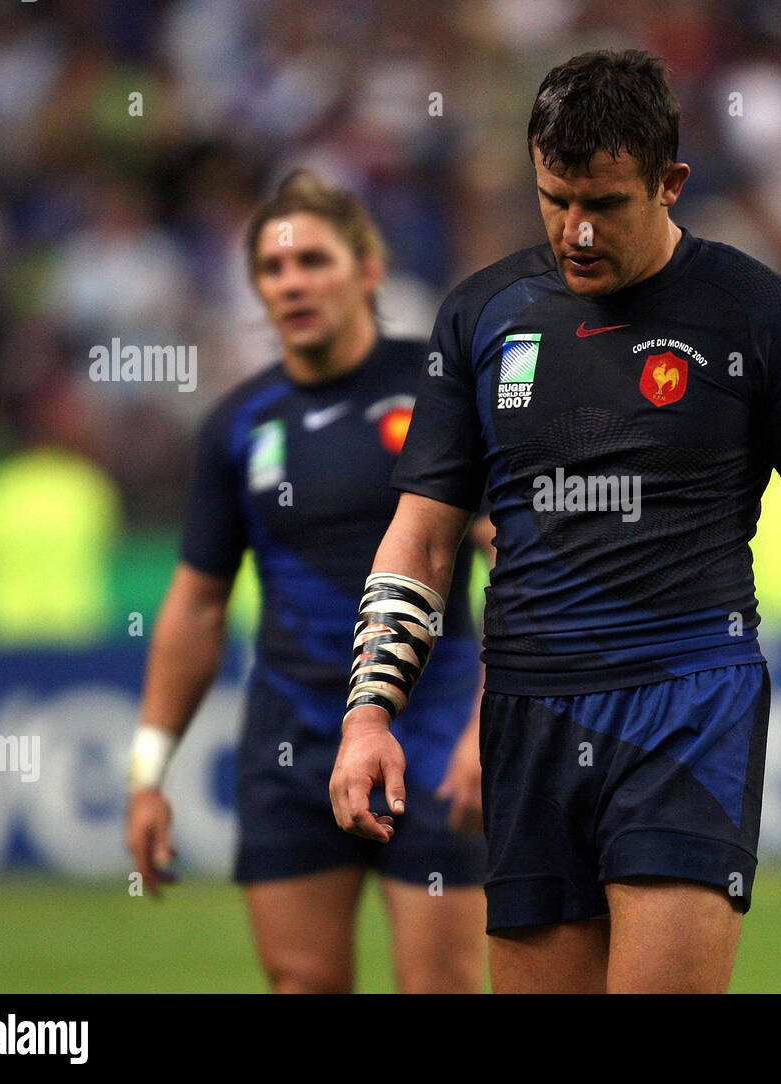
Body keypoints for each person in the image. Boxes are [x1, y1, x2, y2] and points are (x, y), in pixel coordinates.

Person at [329, 50, 781, 994]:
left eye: (605, 205)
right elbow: (424, 537)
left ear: (670, 183)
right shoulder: (482, 316)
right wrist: (371, 712)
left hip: (689, 703)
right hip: (530, 716)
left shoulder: (762, 321)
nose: (574, 232)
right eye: (553, 198)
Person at [126, 170, 490, 994]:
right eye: (274, 270)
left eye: (314, 261)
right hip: (289, 732)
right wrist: (149, 775)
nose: (292, 283)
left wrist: (485, 723)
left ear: (367, 269)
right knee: (301, 984)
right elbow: (197, 603)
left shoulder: (438, 392)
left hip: (434, 730)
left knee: (442, 984)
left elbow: (509, 554)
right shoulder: (239, 424)